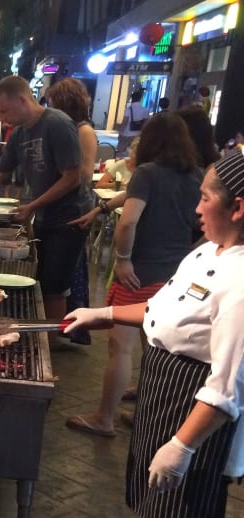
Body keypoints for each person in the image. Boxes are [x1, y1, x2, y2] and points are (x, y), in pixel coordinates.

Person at [61, 147, 244, 518]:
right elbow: (163, 306)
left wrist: (183, 444)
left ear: (239, 207)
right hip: (165, 390)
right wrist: (103, 312)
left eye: (207, 197)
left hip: (196, 408)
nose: (197, 208)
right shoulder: (206, 251)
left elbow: (229, 386)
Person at [66, 112, 202, 437]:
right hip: (175, 274)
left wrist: (124, 259)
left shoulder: (146, 173)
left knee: (120, 347)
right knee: (154, 347)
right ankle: (148, 416)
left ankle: (104, 418)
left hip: (139, 274)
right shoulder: (196, 175)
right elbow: (199, 226)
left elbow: (128, 222)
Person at [0, 75, 91, 324]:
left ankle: (50, 347)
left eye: (4, 110)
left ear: (23, 100)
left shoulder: (58, 124)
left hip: (70, 216)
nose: (1, 118)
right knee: (45, 279)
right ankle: (47, 336)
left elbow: (73, 178)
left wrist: (33, 206)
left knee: (55, 285)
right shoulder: (19, 135)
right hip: (46, 214)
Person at [46, 78, 98, 346]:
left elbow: (85, 174)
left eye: (54, 102)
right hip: (64, 207)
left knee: (66, 274)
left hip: (76, 208)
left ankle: (61, 333)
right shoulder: (68, 128)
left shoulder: (83, 131)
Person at [118, 89, 148, 156]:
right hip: (137, 134)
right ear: (140, 99)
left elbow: (125, 122)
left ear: (132, 98)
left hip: (126, 133)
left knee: (120, 151)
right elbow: (145, 124)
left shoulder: (129, 110)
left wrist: (120, 132)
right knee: (134, 153)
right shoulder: (145, 110)